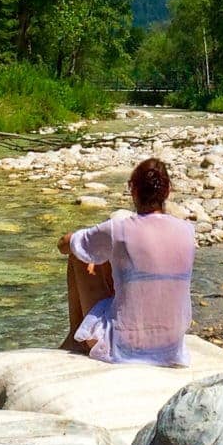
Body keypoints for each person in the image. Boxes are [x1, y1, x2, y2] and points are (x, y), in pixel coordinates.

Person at [57, 157, 195, 366]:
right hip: (170, 349)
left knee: (80, 254)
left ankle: (74, 339)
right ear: (167, 191)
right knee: (112, 260)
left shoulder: (118, 229)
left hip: (123, 347)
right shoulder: (187, 231)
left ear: (133, 190)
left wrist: (80, 238)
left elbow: (64, 245)